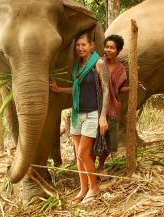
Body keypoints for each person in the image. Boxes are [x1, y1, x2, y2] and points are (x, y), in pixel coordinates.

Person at [49, 32, 109, 204]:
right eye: (78, 45)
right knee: (78, 154)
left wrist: (103, 116)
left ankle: (94, 187)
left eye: (84, 45)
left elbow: (106, 90)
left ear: (91, 46)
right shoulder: (76, 66)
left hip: (92, 114)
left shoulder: (98, 63)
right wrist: (59, 89)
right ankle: (83, 189)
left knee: (83, 153)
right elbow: (77, 89)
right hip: (77, 114)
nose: (80, 48)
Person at [95, 34, 128, 175]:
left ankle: (101, 166)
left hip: (112, 109)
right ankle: (90, 167)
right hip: (96, 106)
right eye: (106, 47)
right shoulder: (97, 63)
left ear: (118, 51)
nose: (108, 50)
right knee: (93, 139)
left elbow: (118, 90)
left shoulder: (121, 68)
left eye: (112, 48)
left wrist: (133, 88)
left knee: (109, 141)